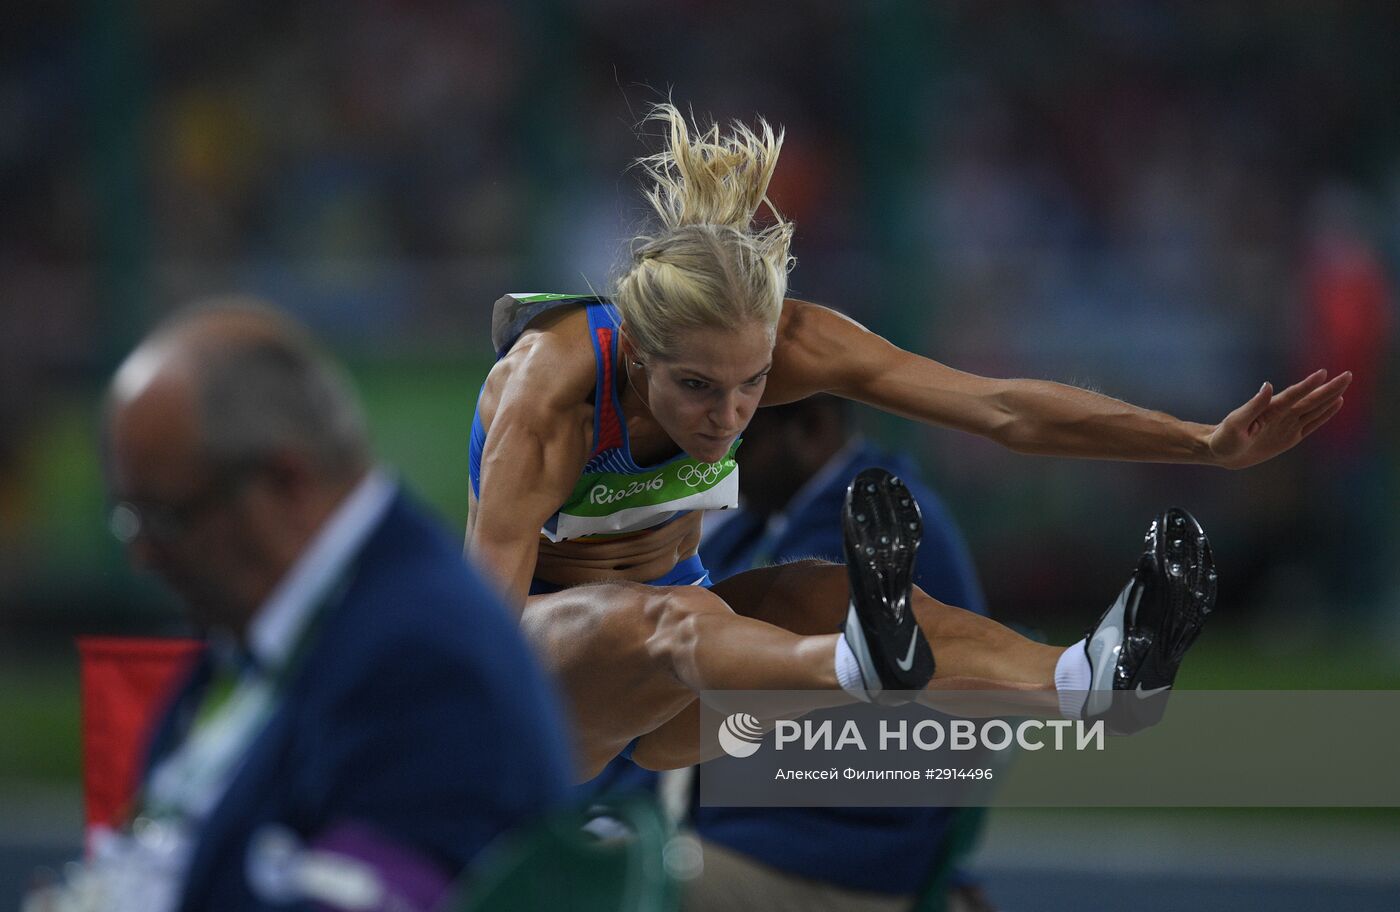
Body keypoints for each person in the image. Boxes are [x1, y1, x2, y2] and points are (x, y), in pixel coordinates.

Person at [466, 104, 1347, 780]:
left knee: (817, 589)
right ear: (642, 350)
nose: (729, 416)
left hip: (686, 697)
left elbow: (1002, 409)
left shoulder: (790, 338)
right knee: (674, 617)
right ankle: (854, 663)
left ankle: (1085, 683)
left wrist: (1203, 445)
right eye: (697, 388)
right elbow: (476, 632)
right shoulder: (551, 397)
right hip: (546, 702)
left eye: (753, 385)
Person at [84, 303, 574, 912]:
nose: (144, 557)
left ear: (286, 483)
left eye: (165, 520)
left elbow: (732, 790)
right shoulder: (266, 631)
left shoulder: (426, 660)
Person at [690, 395, 997, 912]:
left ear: (810, 428)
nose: (716, 462)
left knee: (599, 884)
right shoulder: (770, 520)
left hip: (832, 859)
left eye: (742, 442)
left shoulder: (874, 530)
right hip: (782, 831)